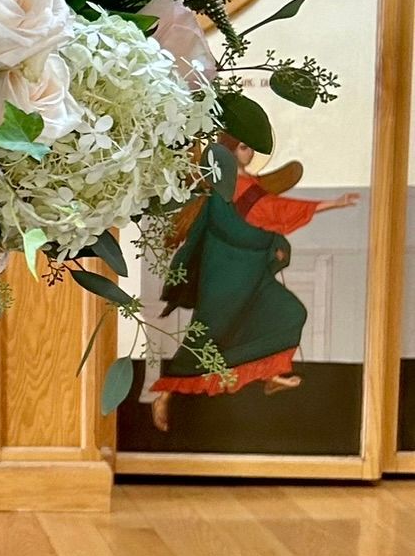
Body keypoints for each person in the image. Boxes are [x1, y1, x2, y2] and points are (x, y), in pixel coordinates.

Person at [149, 138, 358, 431]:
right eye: (244, 146)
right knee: (206, 336)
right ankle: (164, 393)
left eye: (251, 147)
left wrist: (274, 243)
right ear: (230, 151)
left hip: (253, 272)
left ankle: (271, 375)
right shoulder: (228, 186)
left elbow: (264, 221)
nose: (250, 152)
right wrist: (331, 203)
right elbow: (271, 212)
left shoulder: (248, 184)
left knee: (289, 312)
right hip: (226, 273)